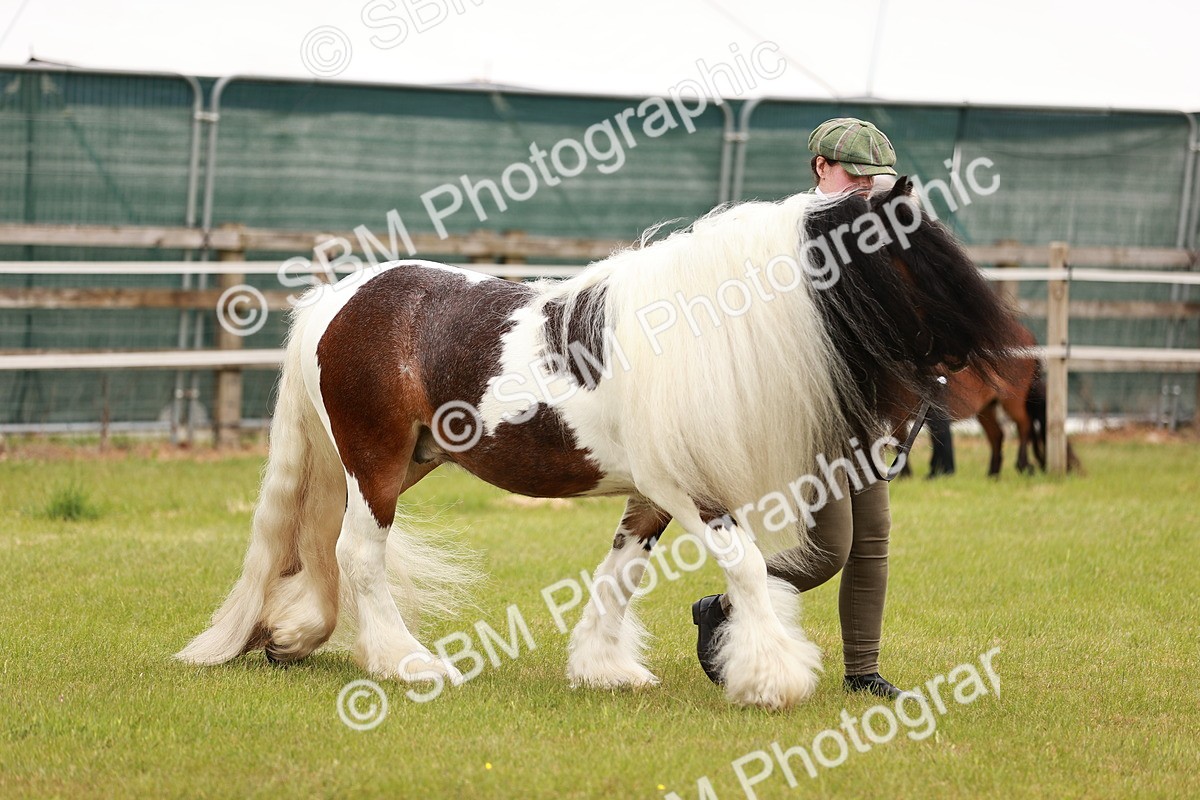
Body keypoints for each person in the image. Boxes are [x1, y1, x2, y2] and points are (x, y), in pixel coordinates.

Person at [692, 117, 911, 699]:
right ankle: (722, 607)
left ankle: (862, 672)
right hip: (808, 410)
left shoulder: (879, 225)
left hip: (862, 405)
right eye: (854, 174)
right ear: (821, 167)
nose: (865, 185)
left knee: (873, 539)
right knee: (828, 549)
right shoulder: (785, 230)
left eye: (873, 177)